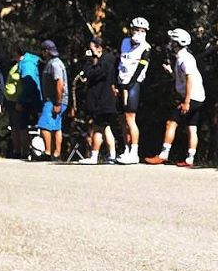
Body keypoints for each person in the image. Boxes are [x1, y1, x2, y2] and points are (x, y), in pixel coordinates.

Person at [143, 28, 204, 166]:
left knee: (171, 122)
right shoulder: (183, 57)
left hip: (191, 97)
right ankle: (190, 158)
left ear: (177, 43)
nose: (170, 44)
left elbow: (190, 79)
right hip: (198, 96)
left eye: (172, 41)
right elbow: (181, 78)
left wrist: (187, 101)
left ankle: (163, 154)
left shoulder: (185, 59)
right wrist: (171, 72)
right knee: (191, 126)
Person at [115, 17, 152, 164]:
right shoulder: (124, 42)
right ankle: (126, 148)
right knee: (122, 120)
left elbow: (141, 68)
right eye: (136, 30)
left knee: (131, 118)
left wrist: (129, 84)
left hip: (133, 84)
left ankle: (134, 151)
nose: (138, 33)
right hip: (121, 82)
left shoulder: (146, 48)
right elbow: (119, 62)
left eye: (142, 31)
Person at [78, 36, 119, 164]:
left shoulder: (106, 61)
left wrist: (91, 62)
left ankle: (94, 156)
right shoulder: (105, 60)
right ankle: (112, 155)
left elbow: (91, 74)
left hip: (103, 99)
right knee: (105, 128)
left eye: (92, 49)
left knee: (97, 127)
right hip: (101, 99)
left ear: (99, 48)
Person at [36, 40, 68, 161]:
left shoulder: (54, 64)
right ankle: (56, 153)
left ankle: (48, 152)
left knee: (44, 124)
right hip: (54, 100)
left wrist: (58, 102)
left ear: (46, 51)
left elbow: (59, 83)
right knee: (56, 127)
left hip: (54, 100)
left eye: (43, 51)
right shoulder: (52, 63)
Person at [10, 48, 43, 159]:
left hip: (29, 101)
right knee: (22, 126)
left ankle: (25, 152)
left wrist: (21, 101)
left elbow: (29, 84)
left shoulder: (27, 65)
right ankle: (24, 151)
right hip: (31, 99)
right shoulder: (26, 62)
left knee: (22, 126)